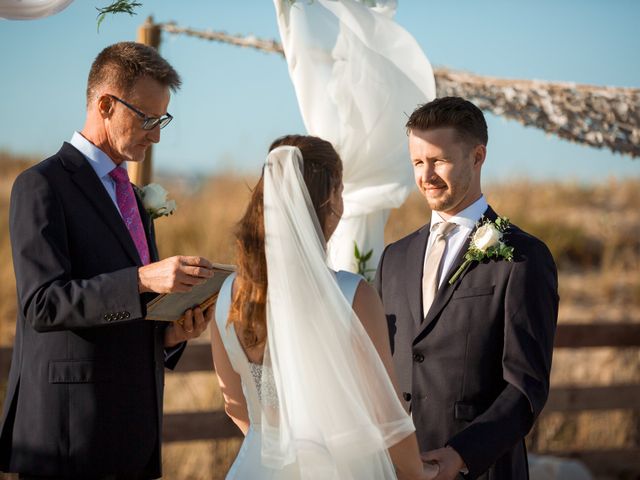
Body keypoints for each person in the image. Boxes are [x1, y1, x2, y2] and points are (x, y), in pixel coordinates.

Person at [0, 42, 213, 479]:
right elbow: (42, 304)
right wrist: (140, 279)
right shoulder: (40, 185)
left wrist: (170, 336)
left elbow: (125, 312)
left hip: (132, 434)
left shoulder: (133, 197)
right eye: (148, 119)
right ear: (106, 104)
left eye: (163, 120)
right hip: (67, 438)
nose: (157, 134)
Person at [210, 135, 438, 479]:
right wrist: (420, 472)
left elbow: (237, 406)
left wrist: (275, 449)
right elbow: (386, 417)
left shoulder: (228, 296)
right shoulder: (352, 295)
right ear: (329, 200)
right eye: (341, 190)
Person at [375, 97, 559, 479]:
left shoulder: (524, 257)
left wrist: (462, 455)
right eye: (417, 162)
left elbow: (525, 389)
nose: (426, 176)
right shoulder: (394, 258)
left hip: (482, 469)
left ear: (477, 157)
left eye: (438, 160)